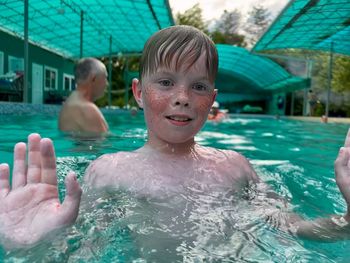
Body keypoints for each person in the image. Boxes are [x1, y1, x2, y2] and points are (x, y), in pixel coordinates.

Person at [1, 25, 350, 251]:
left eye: (198, 86)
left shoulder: (237, 167)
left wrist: (347, 221)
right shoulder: (109, 171)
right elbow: (88, 249)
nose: (182, 96)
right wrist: (33, 245)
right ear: (139, 92)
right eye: (166, 82)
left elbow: (292, 227)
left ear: (211, 100)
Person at [58, 57, 109, 134]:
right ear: (93, 79)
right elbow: (103, 144)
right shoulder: (87, 109)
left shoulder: (68, 104)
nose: (107, 84)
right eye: (105, 78)